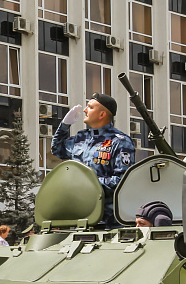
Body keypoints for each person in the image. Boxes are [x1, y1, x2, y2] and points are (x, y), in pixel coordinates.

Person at [52, 93, 136, 227]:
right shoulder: (81, 138)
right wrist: (64, 125)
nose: (85, 110)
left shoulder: (120, 142)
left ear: (102, 114)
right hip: (78, 217)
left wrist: (89, 184)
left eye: (90, 107)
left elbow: (122, 181)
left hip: (106, 221)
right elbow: (57, 149)